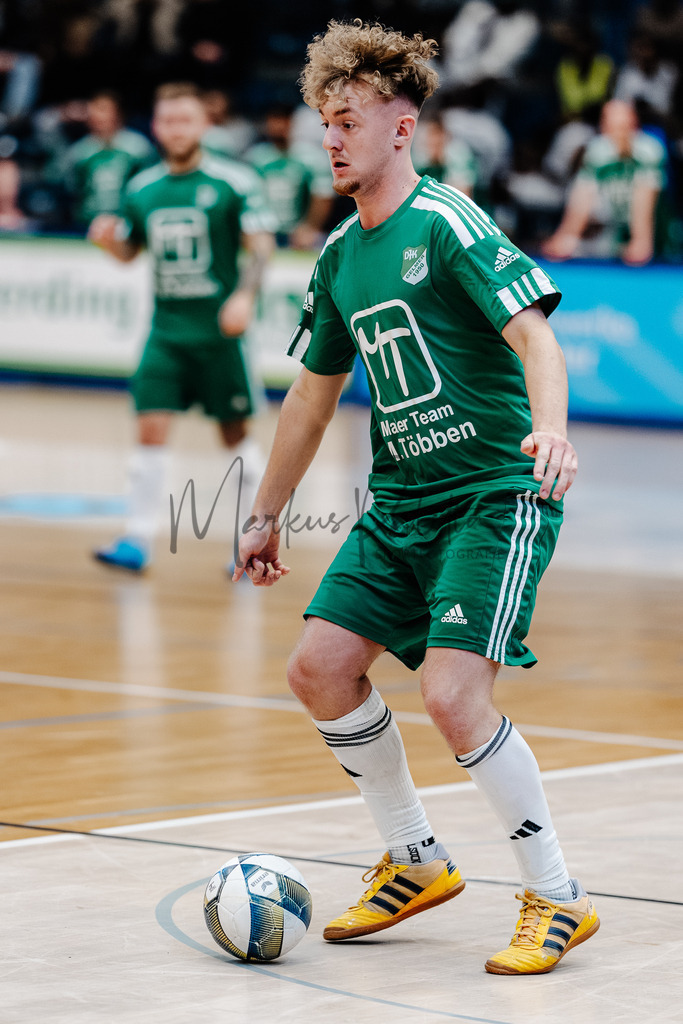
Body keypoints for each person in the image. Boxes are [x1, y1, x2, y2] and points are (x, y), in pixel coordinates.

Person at [235, 20, 599, 976]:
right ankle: (415, 858)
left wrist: (550, 429)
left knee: (449, 693)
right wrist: (266, 511)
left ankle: (556, 896)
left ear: (402, 127)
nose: (331, 138)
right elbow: (310, 398)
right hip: (401, 501)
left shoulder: (446, 222)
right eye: (323, 121)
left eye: (348, 119)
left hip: (492, 492)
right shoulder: (336, 258)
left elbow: (535, 337)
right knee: (317, 668)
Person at [90, 82, 274, 572]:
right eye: (167, 121)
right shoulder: (142, 188)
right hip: (166, 334)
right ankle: (136, 539)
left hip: (220, 336)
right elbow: (131, 252)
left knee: (235, 438)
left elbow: (261, 245)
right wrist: (110, 244)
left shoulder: (234, 182)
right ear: (155, 127)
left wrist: (243, 297)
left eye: (185, 120)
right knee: (149, 428)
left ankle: (249, 539)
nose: (176, 130)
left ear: (204, 125)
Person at [542, 99, 667, 266]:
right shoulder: (597, 151)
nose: (619, 134)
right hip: (614, 224)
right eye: (613, 127)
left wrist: (641, 240)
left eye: (624, 127)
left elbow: (644, 198)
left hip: (658, 228)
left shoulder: (650, 150)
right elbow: (583, 195)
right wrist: (567, 236)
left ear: (634, 125)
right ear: (604, 127)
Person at [246, 102, 335, 249]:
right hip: (265, 230)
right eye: (273, 120)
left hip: (298, 232)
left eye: (284, 120)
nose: (278, 126)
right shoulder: (256, 157)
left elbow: (323, 195)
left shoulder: (311, 158)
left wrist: (310, 227)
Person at [62, 91, 156, 227]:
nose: (99, 116)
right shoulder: (79, 151)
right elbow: (72, 187)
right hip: (86, 222)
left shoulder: (138, 147)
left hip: (128, 221)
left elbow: (146, 185)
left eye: (104, 110)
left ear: (117, 113)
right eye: (95, 111)